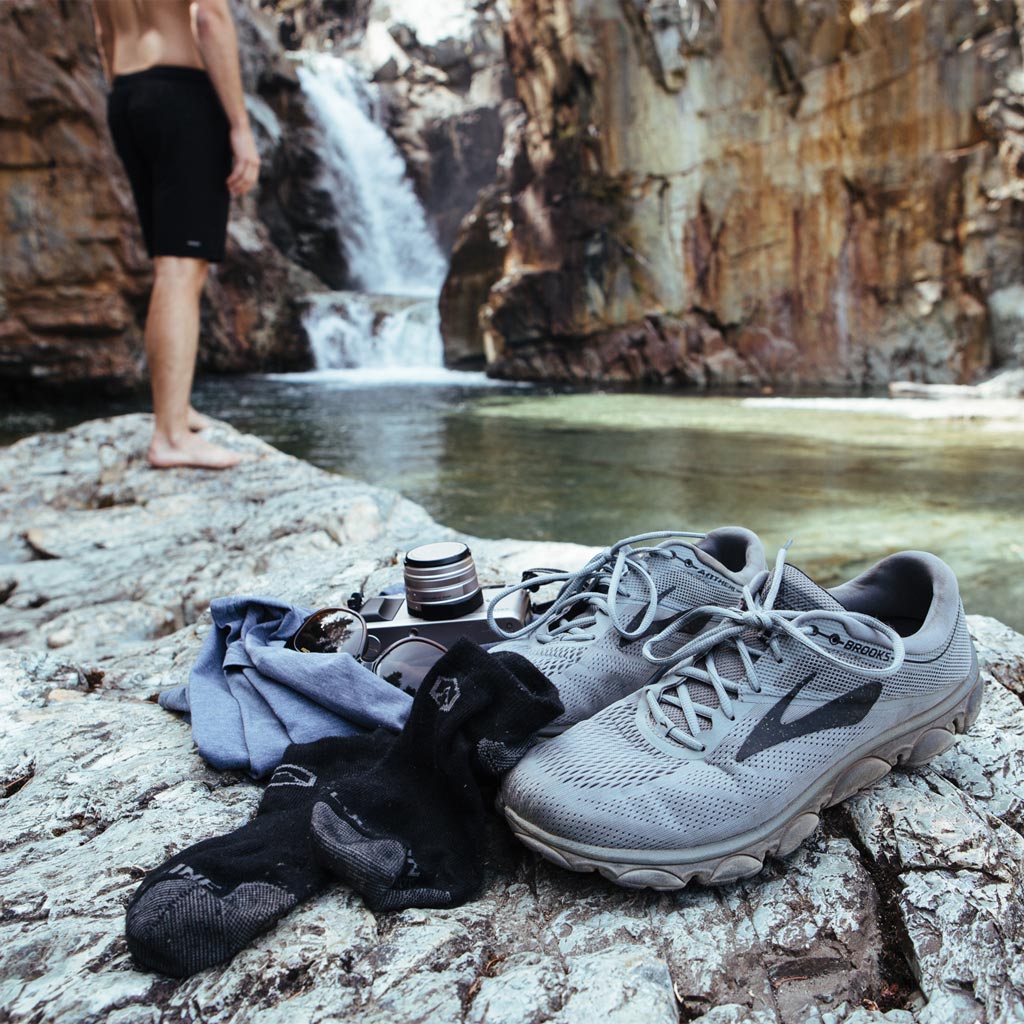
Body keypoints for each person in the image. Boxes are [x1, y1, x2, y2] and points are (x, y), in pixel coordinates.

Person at [92, 0, 261, 469]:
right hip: (182, 94)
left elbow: (103, 33)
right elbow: (209, 17)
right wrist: (240, 127)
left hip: (127, 92)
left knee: (171, 265)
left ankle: (176, 409)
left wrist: (130, 95)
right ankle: (169, 437)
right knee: (181, 268)